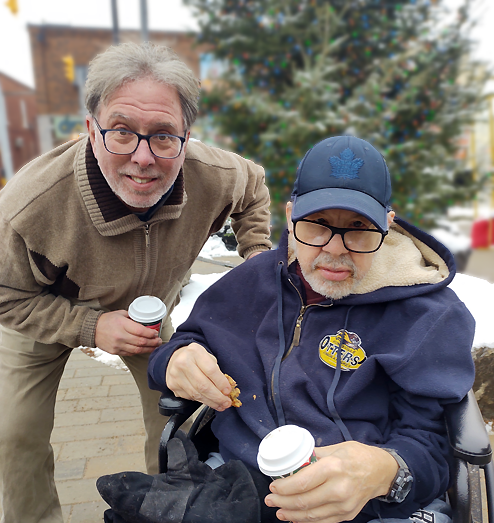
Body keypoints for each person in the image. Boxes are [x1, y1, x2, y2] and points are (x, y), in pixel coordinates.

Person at [123, 135, 475, 523]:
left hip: (367, 505)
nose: (335, 249)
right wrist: (178, 359)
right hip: (235, 483)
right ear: (290, 217)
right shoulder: (253, 282)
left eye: (358, 227)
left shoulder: (428, 316)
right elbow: (184, 344)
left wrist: (385, 471)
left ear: (387, 226)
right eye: (317, 224)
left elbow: (434, 446)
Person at [0, 42, 271, 523]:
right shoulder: (29, 206)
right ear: (91, 129)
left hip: (149, 317)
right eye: (121, 132)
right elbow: (5, 297)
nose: (143, 158)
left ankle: (170, 507)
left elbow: (254, 189)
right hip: (39, 311)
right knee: (13, 434)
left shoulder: (215, 174)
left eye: (164, 135)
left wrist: (257, 261)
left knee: (182, 415)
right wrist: (92, 328)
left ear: (186, 138)